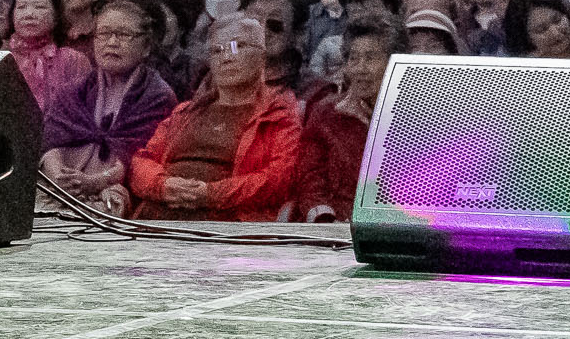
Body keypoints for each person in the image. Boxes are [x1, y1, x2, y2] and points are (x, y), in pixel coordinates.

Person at [128, 12, 302, 220]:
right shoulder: (185, 112)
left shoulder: (278, 116)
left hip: (227, 224)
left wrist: (210, 194)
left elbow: (278, 180)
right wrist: (162, 186)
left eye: (237, 46)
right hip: (159, 214)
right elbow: (142, 161)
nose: (227, 57)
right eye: (217, 50)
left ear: (262, 57)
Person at [40, 0, 177, 211]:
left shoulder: (156, 95)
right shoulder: (72, 90)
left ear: (146, 47)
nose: (112, 42)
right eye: (103, 34)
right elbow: (50, 144)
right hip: (61, 186)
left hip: (115, 189)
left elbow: (140, 159)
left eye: (123, 35)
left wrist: (95, 182)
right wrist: (59, 179)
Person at [292, 16, 392, 222]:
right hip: (335, 225)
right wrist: (325, 218)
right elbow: (311, 178)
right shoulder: (326, 113)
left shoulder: (414, 117)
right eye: (353, 59)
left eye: (371, 58)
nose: (361, 69)